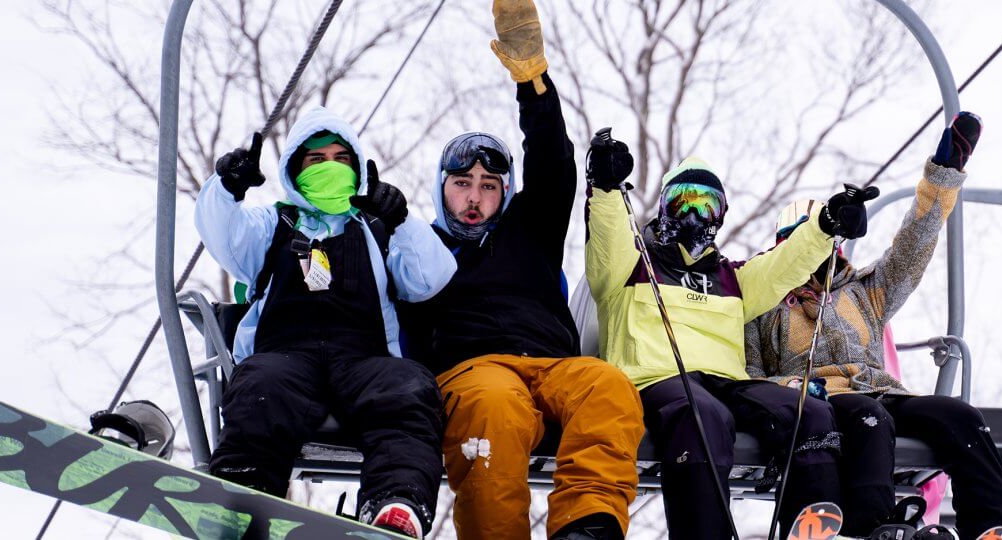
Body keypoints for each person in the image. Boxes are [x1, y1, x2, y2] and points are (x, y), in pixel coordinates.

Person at [397, 2, 644, 539]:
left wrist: (533, 83)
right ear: (442, 187)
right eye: (462, 183)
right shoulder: (421, 248)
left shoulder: (528, 231)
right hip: (473, 369)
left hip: (553, 368)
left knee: (607, 385)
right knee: (494, 409)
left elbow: (553, 166)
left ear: (504, 194)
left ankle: (588, 526)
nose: (474, 197)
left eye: (489, 186)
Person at [583, 130, 881, 538]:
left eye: (707, 205)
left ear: (721, 215)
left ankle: (810, 518)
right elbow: (608, 236)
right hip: (655, 378)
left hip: (725, 382)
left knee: (806, 410)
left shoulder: (732, 278)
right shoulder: (631, 266)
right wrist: (605, 188)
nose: (694, 215)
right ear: (665, 208)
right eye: (683, 201)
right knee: (704, 415)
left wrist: (825, 224)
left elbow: (784, 265)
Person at [745, 112, 1002, 540]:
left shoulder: (864, 292)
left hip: (880, 391)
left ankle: (992, 522)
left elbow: (914, 244)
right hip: (821, 404)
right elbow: (750, 376)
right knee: (868, 415)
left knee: (959, 416)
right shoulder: (764, 303)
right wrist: (790, 392)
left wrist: (944, 175)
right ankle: (872, 526)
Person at [195, 106, 456, 538]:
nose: (330, 168)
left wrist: (402, 221)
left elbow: (430, 279)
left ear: (356, 167)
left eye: (340, 158)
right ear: (296, 170)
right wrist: (226, 189)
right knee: (262, 388)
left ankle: (395, 503)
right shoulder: (273, 224)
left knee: (407, 390)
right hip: (285, 355)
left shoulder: (375, 227)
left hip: (364, 359)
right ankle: (246, 489)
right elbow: (225, 238)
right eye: (317, 160)